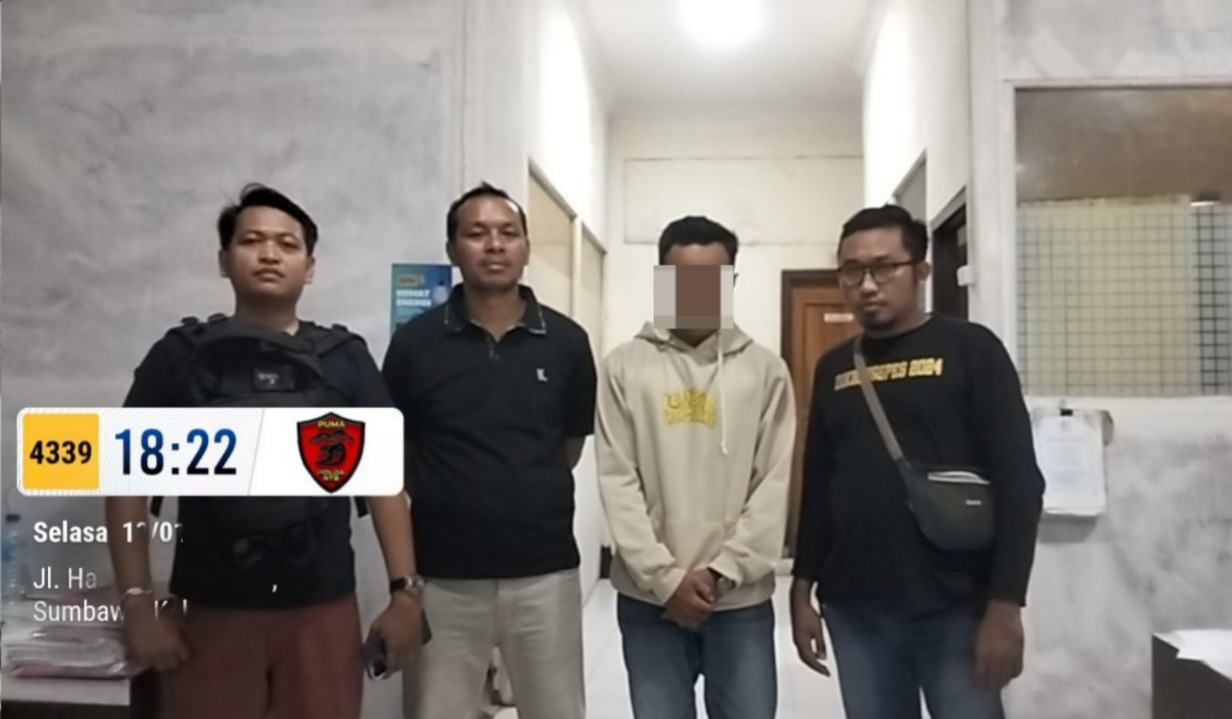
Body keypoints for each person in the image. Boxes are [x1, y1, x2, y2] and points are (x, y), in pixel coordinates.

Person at [105, 184, 424, 719]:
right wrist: (137, 604)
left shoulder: (345, 360)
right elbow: (125, 483)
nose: (270, 254)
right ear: (224, 260)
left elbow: (386, 481)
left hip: (321, 606)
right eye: (252, 241)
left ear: (310, 267)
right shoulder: (180, 358)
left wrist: (406, 594)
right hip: (212, 608)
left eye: (287, 244)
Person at [791, 205, 1045, 719]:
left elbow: (1020, 481)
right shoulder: (834, 367)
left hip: (955, 607)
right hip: (855, 609)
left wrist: (1005, 604)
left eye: (884, 268)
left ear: (921, 271)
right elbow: (819, 483)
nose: (867, 285)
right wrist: (802, 586)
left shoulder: (971, 350)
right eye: (852, 271)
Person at [383, 182, 597, 719]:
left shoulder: (568, 343)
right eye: (476, 234)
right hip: (443, 579)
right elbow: (397, 454)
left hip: (545, 575)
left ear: (526, 247)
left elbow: (568, 447)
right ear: (453, 250)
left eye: (508, 233)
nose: (494, 245)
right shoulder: (415, 344)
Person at [596, 216, 797, 719]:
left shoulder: (765, 371)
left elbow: (773, 485)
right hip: (649, 602)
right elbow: (618, 481)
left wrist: (723, 572)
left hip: (740, 601)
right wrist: (665, 580)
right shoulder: (623, 367)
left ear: (731, 281)